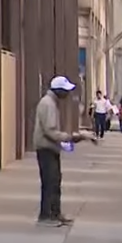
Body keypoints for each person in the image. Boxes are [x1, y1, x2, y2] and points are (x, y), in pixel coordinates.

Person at [33, 76, 90, 227]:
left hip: (51, 147)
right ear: (58, 91)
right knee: (50, 182)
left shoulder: (52, 103)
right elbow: (50, 130)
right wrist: (70, 137)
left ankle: (55, 213)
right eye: (65, 91)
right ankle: (46, 216)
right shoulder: (48, 104)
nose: (68, 95)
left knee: (55, 181)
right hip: (46, 148)